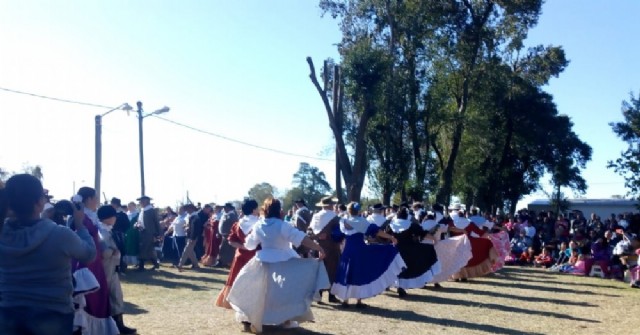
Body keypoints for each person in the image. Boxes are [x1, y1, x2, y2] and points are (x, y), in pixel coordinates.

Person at [0, 174, 97, 335]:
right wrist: (80, 225)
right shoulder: (59, 234)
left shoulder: (3, 233)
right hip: (52, 314)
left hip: (8, 313)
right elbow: (89, 254)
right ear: (39, 203)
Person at [227, 198, 329, 333]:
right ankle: (286, 319)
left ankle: (256, 318)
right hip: (284, 261)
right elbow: (301, 238)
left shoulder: (259, 225)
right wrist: (318, 248)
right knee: (286, 292)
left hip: (262, 261)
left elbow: (250, 244)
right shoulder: (283, 225)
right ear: (279, 210)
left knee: (259, 292)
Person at [330, 202, 405, 308]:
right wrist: (391, 237)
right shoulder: (362, 221)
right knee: (359, 273)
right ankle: (358, 301)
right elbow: (377, 232)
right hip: (360, 250)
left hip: (347, 251)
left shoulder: (343, 221)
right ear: (359, 211)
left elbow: (337, 236)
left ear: (348, 210)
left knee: (346, 272)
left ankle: (345, 300)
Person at [72, 187, 119, 334]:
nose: (97, 201)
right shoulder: (80, 217)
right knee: (90, 294)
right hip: (86, 261)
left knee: (99, 293)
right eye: (95, 198)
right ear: (89, 199)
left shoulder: (89, 216)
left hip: (94, 258)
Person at [96, 205, 137, 334]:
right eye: (113, 216)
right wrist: (112, 251)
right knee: (109, 296)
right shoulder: (100, 231)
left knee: (116, 295)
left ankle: (118, 325)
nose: (115, 219)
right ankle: (113, 325)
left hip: (112, 266)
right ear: (108, 218)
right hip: (105, 267)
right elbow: (102, 251)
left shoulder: (108, 229)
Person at [215, 199, 260, 309]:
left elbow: (231, 241)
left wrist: (243, 247)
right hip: (256, 255)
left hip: (240, 255)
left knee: (236, 278)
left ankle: (230, 301)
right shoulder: (260, 223)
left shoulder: (238, 223)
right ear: (254, 210)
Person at [388, 207, 440, 297]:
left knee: (396, 268)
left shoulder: (391, 224)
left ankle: (396, 286)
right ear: (406, 216)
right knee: (406, 268)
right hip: (409, 249)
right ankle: (401, 287)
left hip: (395, 249)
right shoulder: (410, 224)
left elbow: (386, 235)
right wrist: (434, 239)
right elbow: (422, 233)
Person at [307, 196, 342, 303]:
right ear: (330, 205)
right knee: (332, 270)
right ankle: (331, 296)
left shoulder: (316, 216)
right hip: (331, 246)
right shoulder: (335, 217)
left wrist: (317, 237)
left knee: (320, 270)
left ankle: (319, 295)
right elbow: (339, 232)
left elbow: (309, 231)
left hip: (317, 246)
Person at [178, 204, 208, 271]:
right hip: (189, 236)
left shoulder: (195, 217)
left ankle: (180, 265)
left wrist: (192, 238)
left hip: (192, 237)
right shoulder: (192, 216)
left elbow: (195, 229)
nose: (186, 211)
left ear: (191, 209)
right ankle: (196, 265)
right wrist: (186, 228)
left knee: (186, 251)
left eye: (187, 209)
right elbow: (191, 227)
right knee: (191, 252)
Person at [134, 196, 161, 271]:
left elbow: (156, 223)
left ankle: (141, 266)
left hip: (149, 233)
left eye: (142, 201)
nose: (140, 203)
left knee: (144, 248)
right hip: (142, 232)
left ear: (146, 201)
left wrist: (158, 234)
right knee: (148, 249)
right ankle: (155, 264)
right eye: (140, 201)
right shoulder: (142, 210)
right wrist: (137, 224)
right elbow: (140, 221)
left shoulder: (151, 210)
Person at [110, 197, 130, 273]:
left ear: (116, 204)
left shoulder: (122, 214)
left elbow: (127, 225)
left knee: (119, 251)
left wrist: (121, 231)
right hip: (111, 233)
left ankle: (120, 268)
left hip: (119, 234)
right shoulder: (112, 212)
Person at [217, 202, 238, 267]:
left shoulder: (232, 215)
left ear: (228, 208)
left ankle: (226, 262)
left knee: (227, 250)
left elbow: (235, 225)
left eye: (225, 207)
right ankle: (223, 261)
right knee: (223, 249)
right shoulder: (225, 214)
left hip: (228, 235)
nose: (224, 209)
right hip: (223, 235)